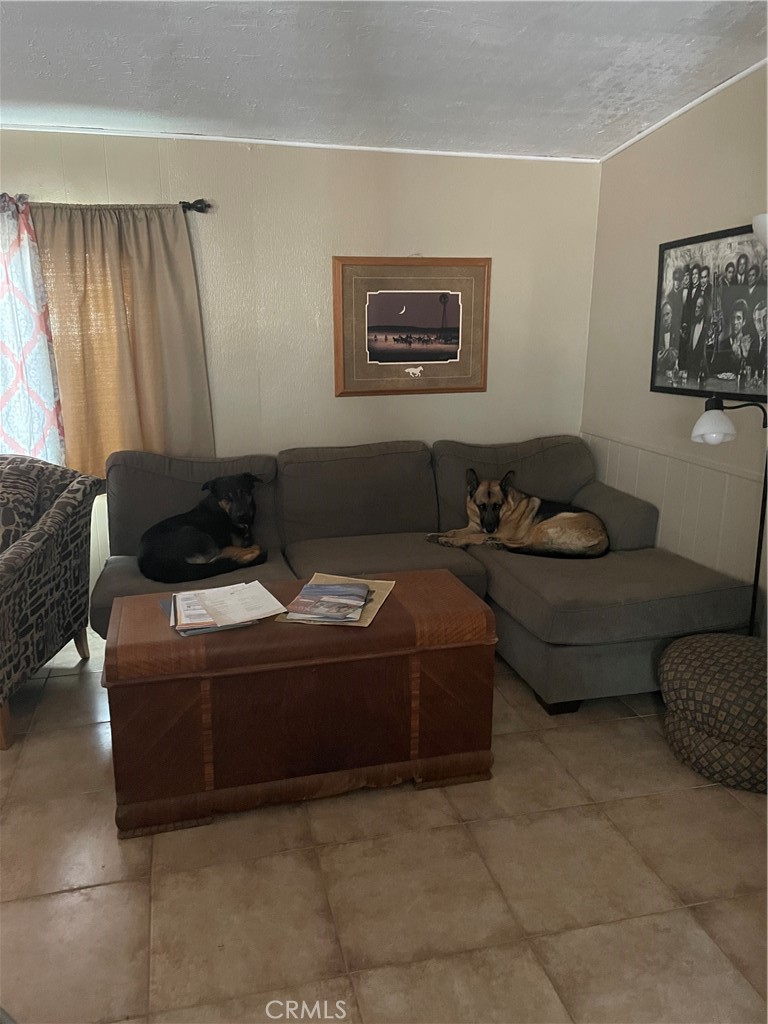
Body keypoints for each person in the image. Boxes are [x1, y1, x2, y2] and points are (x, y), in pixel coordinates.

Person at [709, 299, 752, 376]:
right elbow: (714, 369)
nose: (734, 322)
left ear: (744, 321)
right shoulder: (723, 344)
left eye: (738, 318)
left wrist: (743, 356)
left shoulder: (749, 344)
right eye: (733, 318)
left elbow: (751, 373)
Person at [679, 293, 709, 378]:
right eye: (695, 306)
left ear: (704, 309)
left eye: (698, 307)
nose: (696, 309)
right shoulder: (692, 325)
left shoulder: (708, 327)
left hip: (703, 376)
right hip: (690, 375)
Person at [656, 301, 678, 375]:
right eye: (663, 316)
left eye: (667, 314)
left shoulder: (678, 332)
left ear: (672, 314)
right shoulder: (658, 333)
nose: (665, 318)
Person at [747, 300, 767, 380]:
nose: (762, 325)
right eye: (758, 321)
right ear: (755, 323)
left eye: (765, 319)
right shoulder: (752, 343)